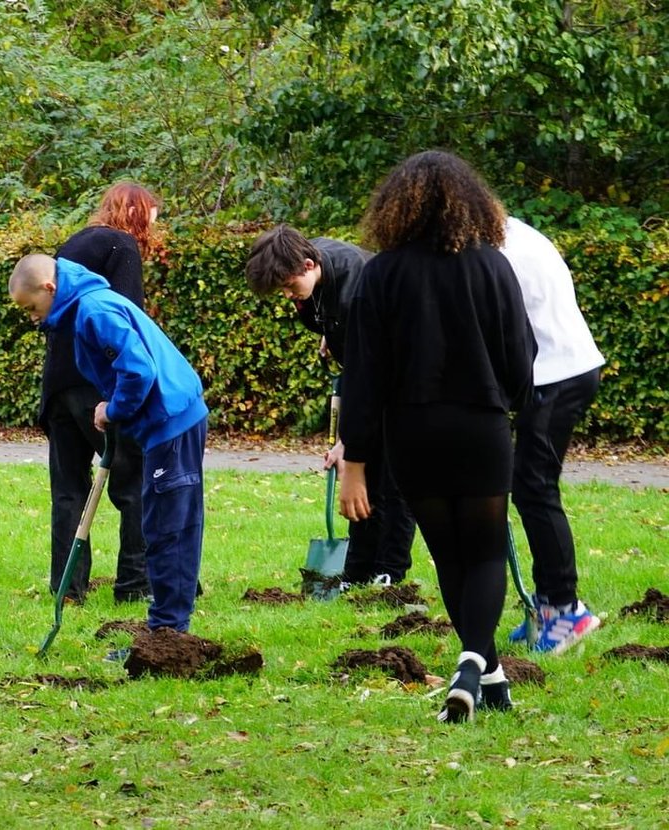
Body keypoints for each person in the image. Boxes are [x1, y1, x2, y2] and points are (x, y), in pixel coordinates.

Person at [337, 150, 534, 723]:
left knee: (450, 556)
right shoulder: (493, 267)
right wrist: (512, 404)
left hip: (412, 433)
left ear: (395, 208)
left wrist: (357, 459)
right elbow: (520, 356)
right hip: (480, 426)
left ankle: (486, 677)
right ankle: (476, 660)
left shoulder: (380, 273)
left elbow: (364, 376)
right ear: (469, 202)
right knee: (485, 550)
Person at [9, 254, 209, 634]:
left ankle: (168, 630)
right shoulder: (88, 305)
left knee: (168, 527)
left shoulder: (93, 310)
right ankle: (170, 627)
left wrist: (113, 410)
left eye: (32, 308)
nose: (33, 318)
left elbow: (138, 370)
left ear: (50, 289)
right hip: (173, 419)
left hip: (171, 422)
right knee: (172, 524)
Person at [245, 224, 416, 585]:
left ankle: (389, 572)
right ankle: (357, 569)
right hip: (367, 367)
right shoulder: (314, 267)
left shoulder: (356, 291)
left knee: (390, 477)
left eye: (290, 287)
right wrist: (329, 333)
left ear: (309, 265)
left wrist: (348, 440)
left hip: (402, 378)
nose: (289, 296)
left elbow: (367, 374)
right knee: (364, 473)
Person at [42, 183, 159, 605]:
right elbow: (127, 319)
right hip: (96, 384)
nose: (153, 223)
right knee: (135, 483)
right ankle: (135, 584)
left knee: (69, 490)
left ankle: (67, 589)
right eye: (151, 213)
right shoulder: (122, 245)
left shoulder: (73, 244)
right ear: (134, 210)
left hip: (57, 388)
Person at [501, 216, 604, 652]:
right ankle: (547, 607)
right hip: (558, 371)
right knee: (529, 488)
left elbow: (503, 330)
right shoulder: (511, 231)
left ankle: (566, 611)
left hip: (557, 375)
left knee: (534, 489)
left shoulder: (502, 251)